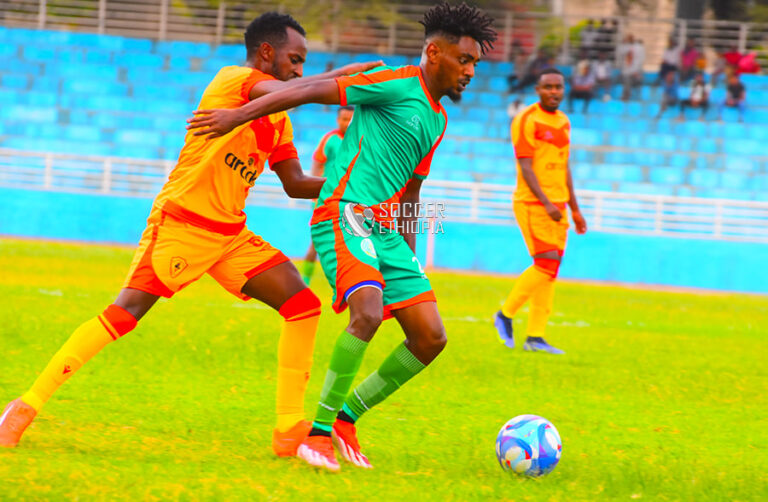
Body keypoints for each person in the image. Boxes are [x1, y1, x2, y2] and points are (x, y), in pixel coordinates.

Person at [0, 12, 381, 454]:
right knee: (124, 314)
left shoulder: (279, 120)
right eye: (295, 60)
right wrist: (345, 75)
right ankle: (24, 406)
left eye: (303, 64)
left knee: (302, 305)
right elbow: (293, 92)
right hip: (182, 225)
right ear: (266, 52)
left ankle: (288, 431)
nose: (299, 70)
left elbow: (295, 184)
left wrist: (359, 187)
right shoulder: (233, 80)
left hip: (230, 237)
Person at [187, 1, 497, 472]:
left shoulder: (438, 119)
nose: (471, 71)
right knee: (367, 313)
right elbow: (309, 90)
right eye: (465, 60)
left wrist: (409, 261)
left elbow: (412, 192)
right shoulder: (393, 83)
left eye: (475, 63)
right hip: (343, 215)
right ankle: (317, 436)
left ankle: (346, 420)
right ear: (434, 53)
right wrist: (239, 115)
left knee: (430, 337)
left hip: (385, 232)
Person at [494, 68, 587, 355]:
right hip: (533, 203)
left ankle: (535, 336)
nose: (554, 92)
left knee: (550, 271)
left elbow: (564, 166)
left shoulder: (563, 121)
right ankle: (505, 314)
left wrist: (575, 208)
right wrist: (547, 203)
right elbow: (525, 166)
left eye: (558, 87)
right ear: (538, 89)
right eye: (548, 87)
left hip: (559, 206)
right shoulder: (526, 119)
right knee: (546, 264)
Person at [301, 105, 355, 284]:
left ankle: (346, 281)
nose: (347, 123)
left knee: (348, 239)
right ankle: (305, 279)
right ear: (338, 120)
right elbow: (317, 164)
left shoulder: (359, 140)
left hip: (348, 198)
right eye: (344, 119)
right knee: (317, 241)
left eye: (350, 119)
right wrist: (314, 193)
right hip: (325, 198)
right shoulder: (330, 139)